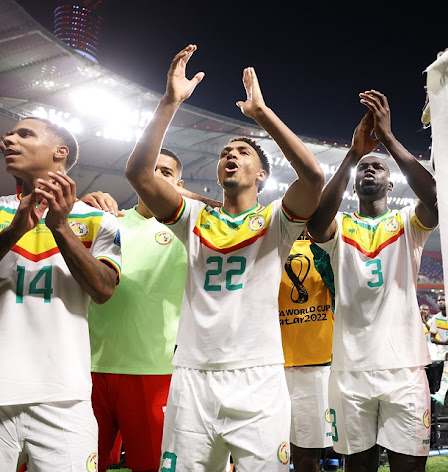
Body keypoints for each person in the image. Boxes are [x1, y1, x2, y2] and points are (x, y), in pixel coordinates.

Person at [124, 44, 325, 471]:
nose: (230, 155)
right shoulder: (191, 217)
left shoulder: (276, 222)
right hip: (193, 375)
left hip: (258, 375)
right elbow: (139, 174)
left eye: (242, 152)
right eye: (223, 154)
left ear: (262, 174)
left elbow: (314, 176)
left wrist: (262, 115)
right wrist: (169, 102)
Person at [307, 90, 438, 472]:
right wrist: (352, 154)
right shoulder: (341, 226)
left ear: (391, 185)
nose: (369, 170)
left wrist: (390, 140)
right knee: (358, 468)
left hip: (405, 368)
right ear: (353, 183)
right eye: (364, 168)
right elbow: (315, 224)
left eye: (377, 168)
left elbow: (436, 200)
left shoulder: (407, 225)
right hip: (349, 371)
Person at [0, 117, 121, 471]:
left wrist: (60, 227)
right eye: (9, 134)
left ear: (60, 152)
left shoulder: (99, 221)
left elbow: (102, 290)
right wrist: (14, 231)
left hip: (64, 397)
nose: (8, 139)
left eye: (24, 134)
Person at [81, 149, 190, 472]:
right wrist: (79, 207)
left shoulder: (189, 229)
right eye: (149, 169)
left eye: (165, 173)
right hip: (88, 367)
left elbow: (232, 209)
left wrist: (178, 197)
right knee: (75, 463)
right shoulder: (107, 219)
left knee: (153, 466)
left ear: (179, 184)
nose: (154, 177)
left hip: (153, 373)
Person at [278, 230, 335, 472]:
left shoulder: (327, 250)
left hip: (315, 366)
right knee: (263, 456)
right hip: (270, 365)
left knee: (307, 457)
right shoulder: (270, 245)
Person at [429, 293, 448, 406]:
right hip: (444, 352)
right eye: (439, 300)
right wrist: (444, 342)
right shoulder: (436, 318)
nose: (440, 302)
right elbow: (432, 338)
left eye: (443, 299)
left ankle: (441, 393)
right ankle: (441, 394)